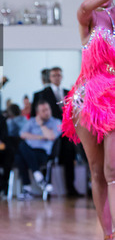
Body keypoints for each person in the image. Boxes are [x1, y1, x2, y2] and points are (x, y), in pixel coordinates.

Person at [61, 0, 115, 240]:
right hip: (89, 99)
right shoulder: (88, 15)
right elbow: (84, 6)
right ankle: (108, 236)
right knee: (97, 171)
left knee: (112, 169)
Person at [32, 67, 81, 198]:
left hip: (65, 132)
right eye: (54, 75)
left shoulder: (68, 92)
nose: (56, 77)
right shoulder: (41, 94)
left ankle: (70, 188)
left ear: (62, 76)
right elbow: (35, 115)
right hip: (49, 133)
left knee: (69, 157)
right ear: (49, 77)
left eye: (59, 75)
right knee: (48, 158)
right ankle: (47, 189)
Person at [17, 100, 61, 196]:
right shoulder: (32, 121)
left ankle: (27, 188)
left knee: (20, 155)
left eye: (47, 109)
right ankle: (38, 175)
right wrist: (40, 137)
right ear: (38, 113)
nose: (46, 112)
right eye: (43, 111)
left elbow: (51, 136)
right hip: (29, 150)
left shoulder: (56, 122)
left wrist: (41, 125)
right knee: (21, 147)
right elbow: (22, 134)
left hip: (43, 154)